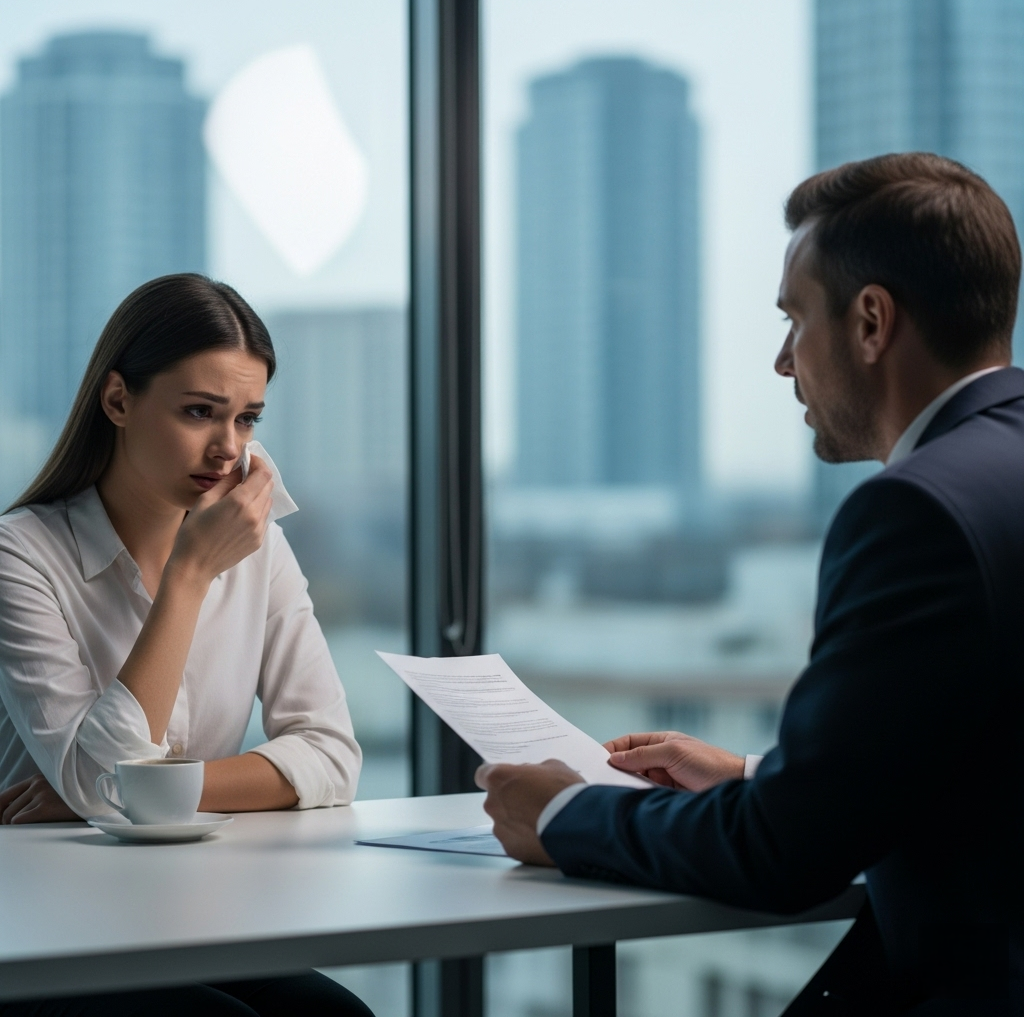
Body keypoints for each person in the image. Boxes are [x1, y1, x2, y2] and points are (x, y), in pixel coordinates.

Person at [477, 153, 1023, 1016]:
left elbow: (783, 854)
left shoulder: (917, 513)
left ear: (871, 322)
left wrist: (565, 814)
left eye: (794, 320)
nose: (781, 362)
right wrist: (758, 772)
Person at [0, 274, 373, 1016]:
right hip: (43, 928)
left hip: (189, 912)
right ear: (118, 402)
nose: (227, 449)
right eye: (200, 412)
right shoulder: (21, 554)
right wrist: (192, 574)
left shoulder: (263, 550)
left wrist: (157, 792)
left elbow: (332, 754)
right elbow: (101, 781)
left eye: (247, 419)